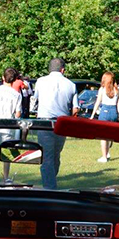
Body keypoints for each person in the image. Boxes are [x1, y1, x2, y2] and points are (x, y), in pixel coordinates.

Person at [33, 58, 78, 190]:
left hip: (44, 123)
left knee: (47, 156)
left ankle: (49, 187)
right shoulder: (71, 84)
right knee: (56, 154)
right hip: (61, 124)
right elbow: (75, 109)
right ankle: (51, 182)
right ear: (62, 70)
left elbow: (35, 100)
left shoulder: (40, 82)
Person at [89, 71, 119, 162]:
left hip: (105, 111)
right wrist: (118, 116)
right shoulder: (117, 90)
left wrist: (92, 115)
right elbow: (118, 104)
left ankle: (104, 157)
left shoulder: (102, 89)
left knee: (102, 136)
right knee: (109, 134)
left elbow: (98, 103)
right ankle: (108, 150)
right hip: (114, 112)